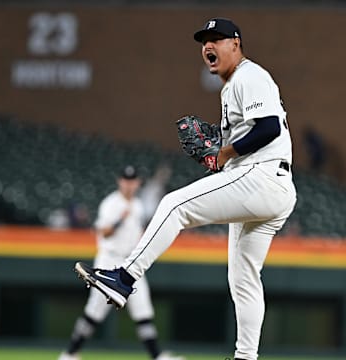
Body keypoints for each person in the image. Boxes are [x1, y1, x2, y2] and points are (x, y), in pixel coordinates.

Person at [75, 18, 297, 360]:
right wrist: (223, 150)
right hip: (270, 186)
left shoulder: (249, 75)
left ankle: (124, 277)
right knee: (243, 279)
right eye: (205, 41)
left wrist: (223, 152)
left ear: (236, 44)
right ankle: (246, 357)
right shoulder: (232, 86)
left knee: (175, 204)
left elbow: (268, 129)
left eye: (218, 39)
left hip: (261, 177)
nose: (209, 46)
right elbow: (249, 137)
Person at [59, 165, 185, 360]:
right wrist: (119, 220)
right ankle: (70, 354)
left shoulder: (138, 205)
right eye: (126, 180)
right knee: (94, 312)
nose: (129, 184)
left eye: (132, 180)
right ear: (120, 181)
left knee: (143, 309)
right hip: (109, 260)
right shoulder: (111, 203)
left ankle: (157, 356)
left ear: (137, 183)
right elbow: (103, 232)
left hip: (129, 263)